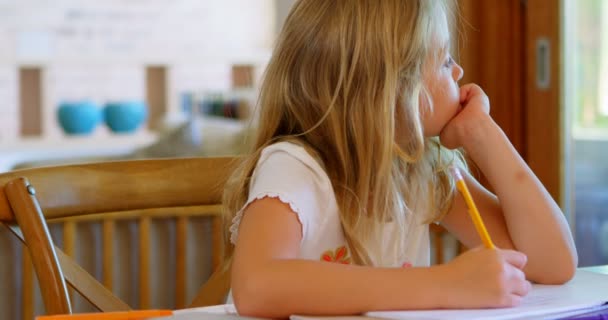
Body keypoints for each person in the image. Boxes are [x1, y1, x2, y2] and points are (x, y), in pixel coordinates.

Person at [222, 0, 578, 318]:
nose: (459, 73)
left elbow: (553, 264)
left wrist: (483, 134)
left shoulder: (422, 169)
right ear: (389, 88)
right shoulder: (295, 167)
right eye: (445, 61)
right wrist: (445, 284)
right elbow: (257, 287)